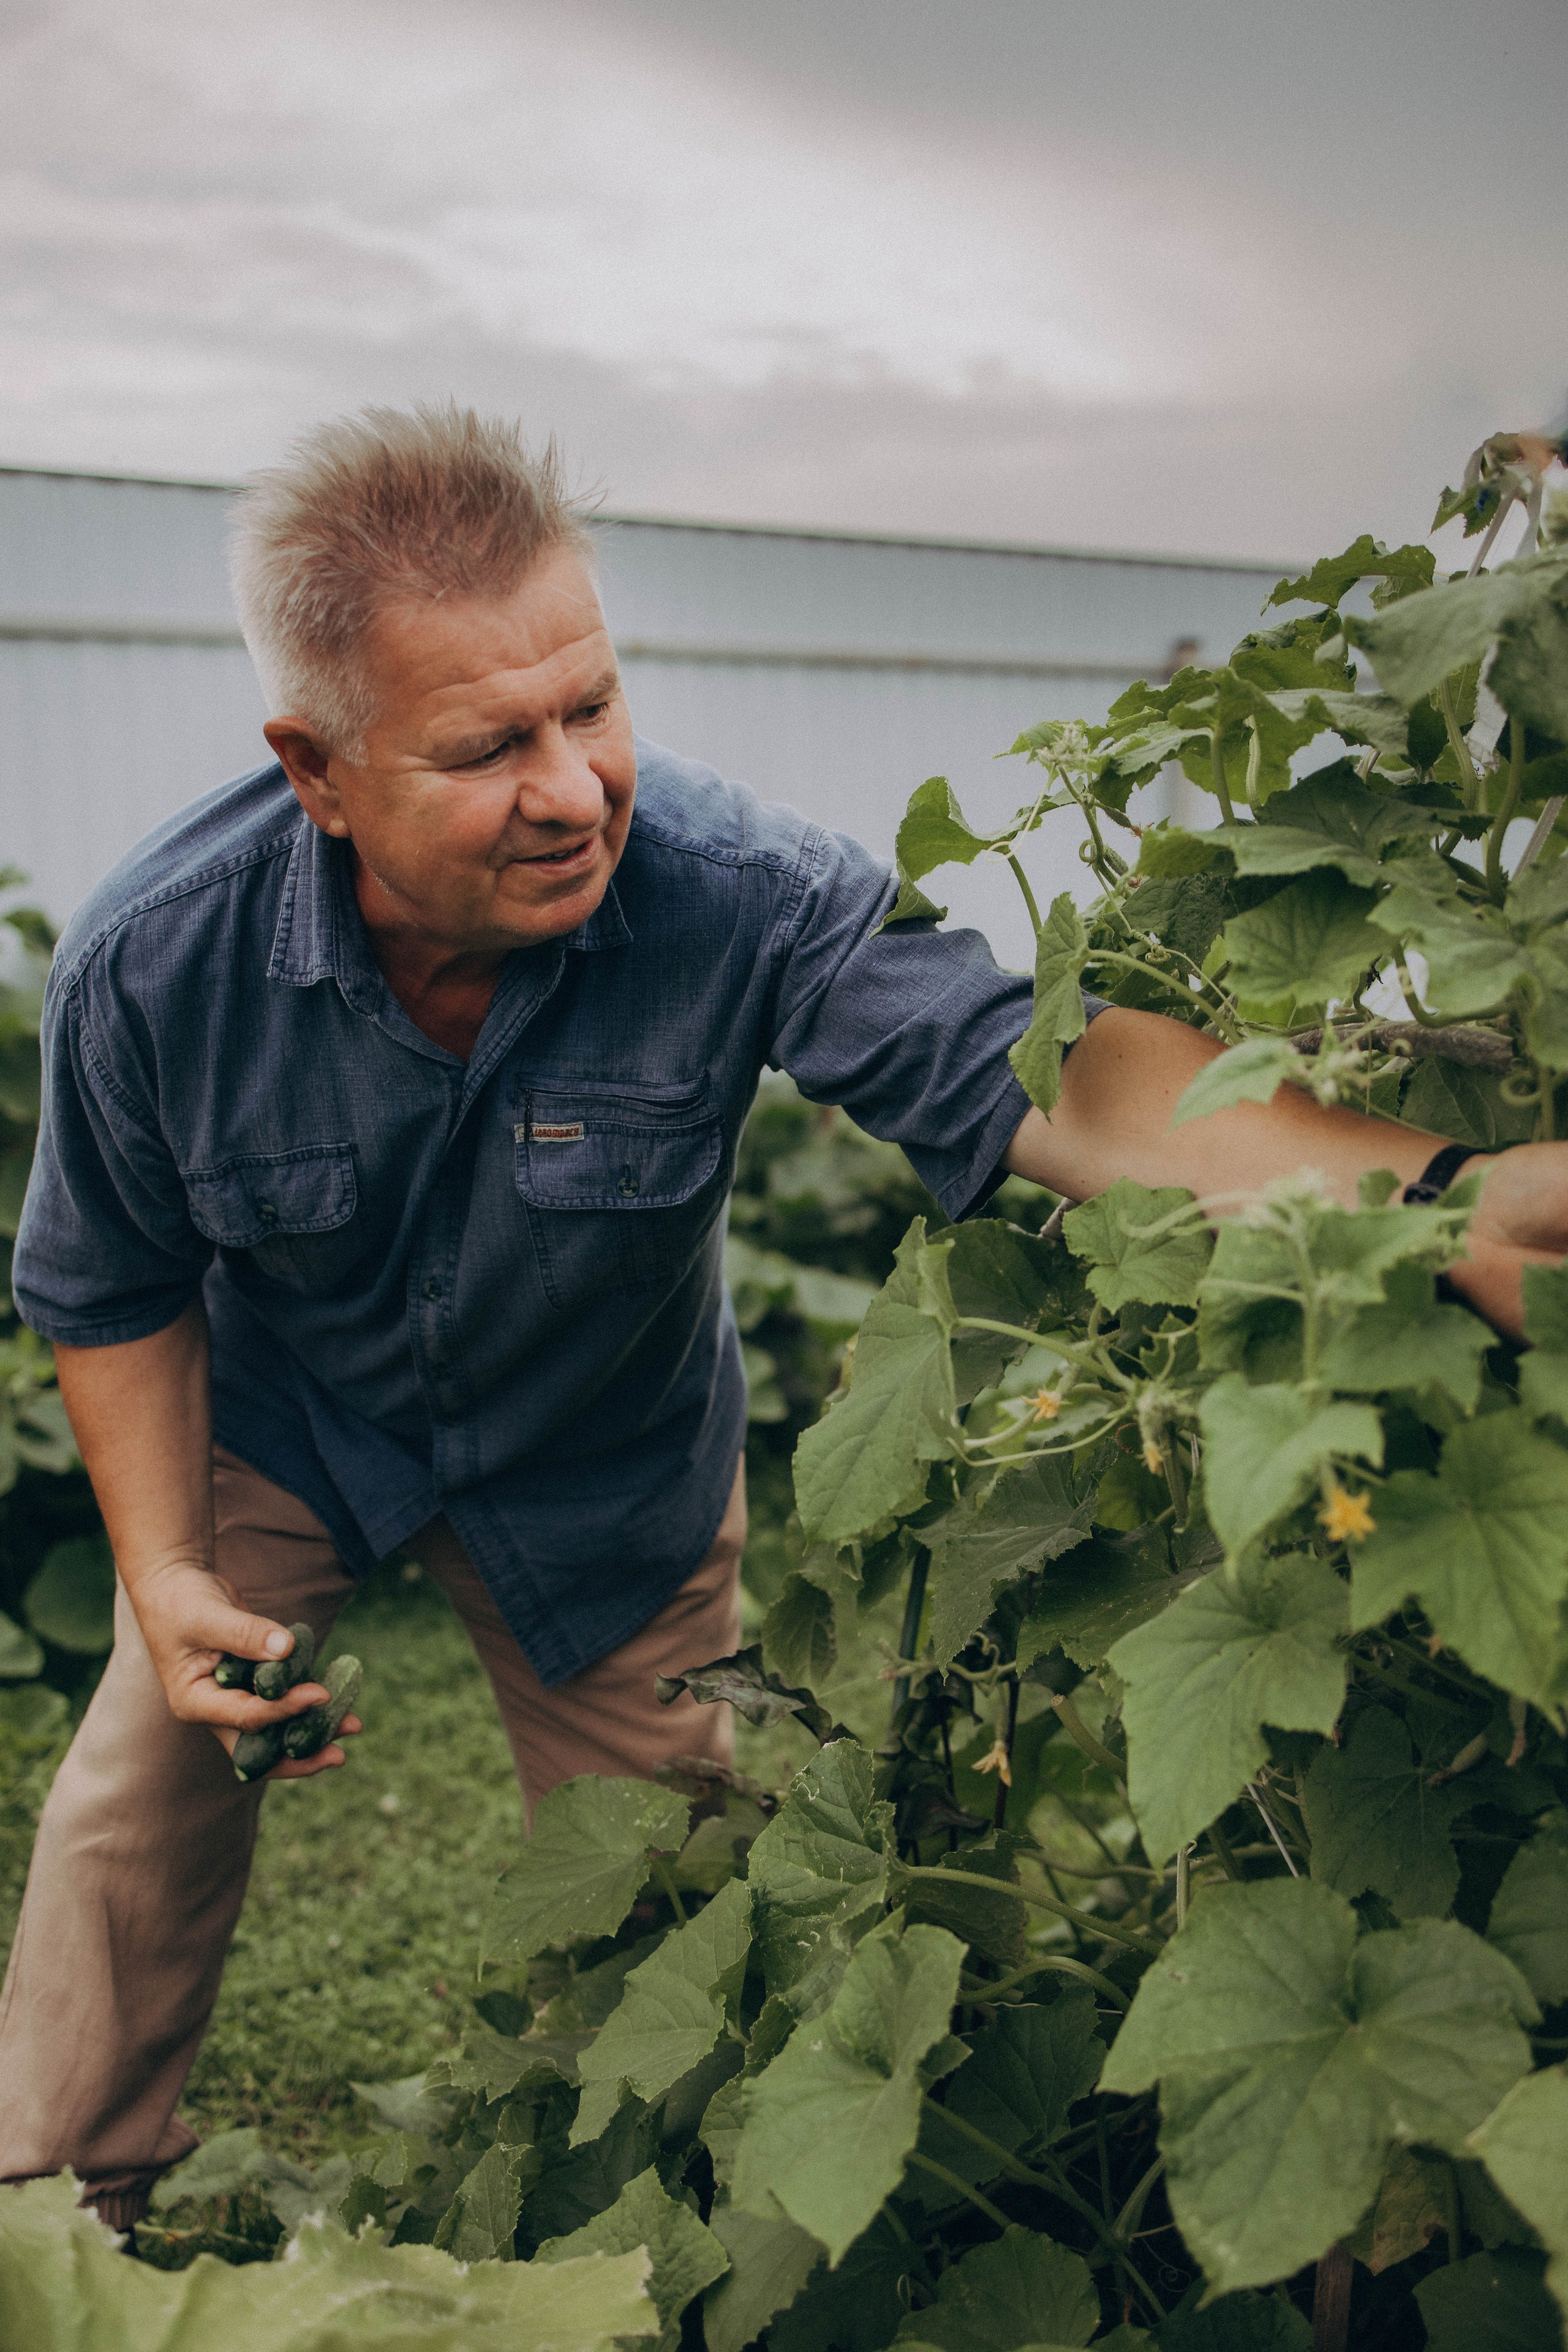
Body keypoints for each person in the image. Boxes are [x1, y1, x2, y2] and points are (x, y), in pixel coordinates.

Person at [1, 406, 1562, 2233]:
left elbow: (1032, 1076)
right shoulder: (154, 962)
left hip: (606, 1458)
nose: (577, 788)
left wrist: (1434, 1199)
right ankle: (53, 2200)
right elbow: (108, 1285)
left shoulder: (732, 887)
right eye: (488, 745)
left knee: (662, 1886)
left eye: (591, 706)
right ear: (318, 768)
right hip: (291, 1426)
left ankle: (640, 2213)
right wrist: (172, 1577)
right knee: (136, 1785)